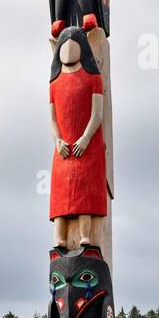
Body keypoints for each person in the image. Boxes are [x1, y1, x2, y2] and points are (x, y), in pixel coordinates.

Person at [48, 26, 106, 248]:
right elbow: (52, 119)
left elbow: (97, 115)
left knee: (85, 197)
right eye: (64, 44)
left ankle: (86, 237)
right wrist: (58, 140)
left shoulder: (93, 79)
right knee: (60, 199)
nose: (69, 49)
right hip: (63, 150)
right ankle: (60, 239)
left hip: (86, 148)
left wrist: (85, 138)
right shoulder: (54, 84)